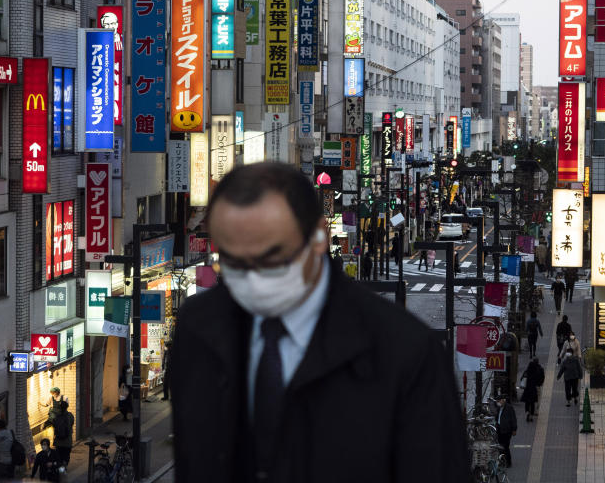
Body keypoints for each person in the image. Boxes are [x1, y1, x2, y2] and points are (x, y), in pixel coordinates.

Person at [170, 162, 471, 482]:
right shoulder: (198, 329)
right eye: (233, 260)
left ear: (318, 237)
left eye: (272, 256)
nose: (253, 276)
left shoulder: (406, 353)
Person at [47, 400, 74, 466]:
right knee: (66, 457)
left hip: (58, 441)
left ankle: (59, 469)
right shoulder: (70, 415)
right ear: (67, 407)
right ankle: (63, 469)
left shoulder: (56, 416)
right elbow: (71, 424)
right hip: (67, 441)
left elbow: (54, 425)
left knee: (59, 457)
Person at [495, 395, 517, 467]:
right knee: (500, 446)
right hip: (499, 429)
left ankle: (508, 462)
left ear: (503, 400)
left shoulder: (509, 408)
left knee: (506, 446)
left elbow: (513, 419)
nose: (498, 403)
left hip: (507, 430)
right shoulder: (498, 408)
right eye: (497, 401)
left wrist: (514, 429)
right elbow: (497, 416)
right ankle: (502, 460)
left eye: (499, 401)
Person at [519, 358, 545, 422]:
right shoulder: (538, 370)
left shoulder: (527, 371)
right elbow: (541, 378)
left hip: (527, 390)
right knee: (533, 402)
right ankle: (532, 416)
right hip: (534, 389)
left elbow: (521, 378)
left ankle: (527, 412)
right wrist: (539, 384)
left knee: (527, 403)